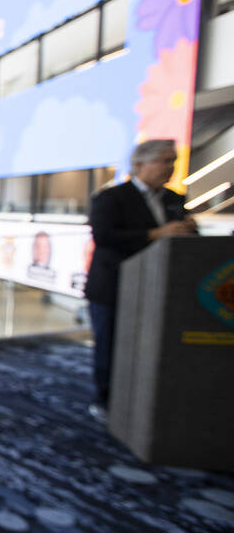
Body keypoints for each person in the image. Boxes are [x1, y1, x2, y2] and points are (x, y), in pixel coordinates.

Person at [84, 138, 195, 422]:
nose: (170, 167)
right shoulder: (110, 198)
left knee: (152, 347)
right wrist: (156, 234)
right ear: (140, 164)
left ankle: (146, 398)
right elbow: (104, 237)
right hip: (114, 287)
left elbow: (184, 242)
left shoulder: (174, 199)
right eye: (164, 161)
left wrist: (189, 231)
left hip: (160, 287)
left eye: (173, 161)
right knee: (109, 347)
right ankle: (106, 401)